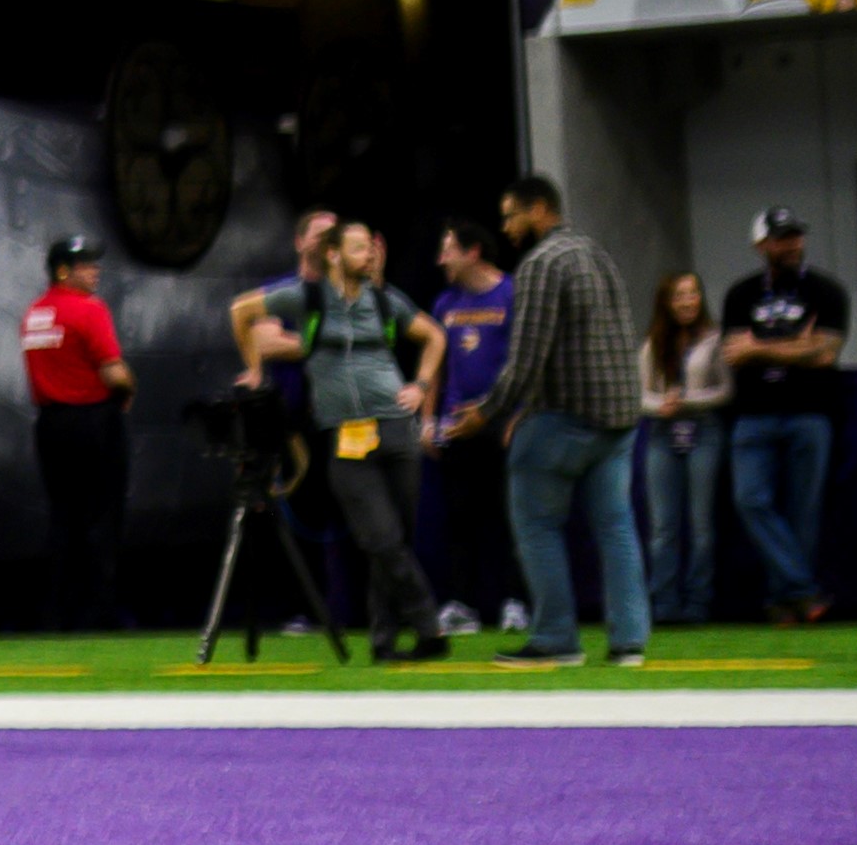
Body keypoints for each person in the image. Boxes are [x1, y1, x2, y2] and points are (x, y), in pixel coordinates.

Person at [473, 172, 651, 667]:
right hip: (619, 418)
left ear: (537, 210)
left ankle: (555, 638)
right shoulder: (597, 253)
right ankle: (629, 641)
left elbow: (528, 357)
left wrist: (488, 412)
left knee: (536, 524)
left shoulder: (542, 263)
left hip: (567, 416)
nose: (505, 228)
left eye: (510, 215)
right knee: (616, 527)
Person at [258, 219, 452, 660]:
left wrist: (420, 387)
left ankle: (383, 642)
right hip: (345, 433)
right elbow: (244, 316)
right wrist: (256, 365)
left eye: (371, 247)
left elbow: (435, 336)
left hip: (396, 428)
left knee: (394, 541)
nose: (370, 254)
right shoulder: (305, 296)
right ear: (333, 253)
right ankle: (429, 624)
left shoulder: (384, 301)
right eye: (360, 247)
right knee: (382, 539)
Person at [721, 210, 851, 623]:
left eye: (796, 236)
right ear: (761, 246)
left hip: (810, 412)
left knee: (804, 511)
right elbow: (732, 353)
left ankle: (783, 601)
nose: (792, 244)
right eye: (781, 238)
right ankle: (804, 590)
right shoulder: (740, 293)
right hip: (753, 414)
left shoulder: (826, 290)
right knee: (750, 499)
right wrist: (797, 344)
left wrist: (760, 346)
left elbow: (826, 353)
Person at [22, 235, 133, 631]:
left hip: (51, 425)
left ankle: (55, 612)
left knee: (62, 517)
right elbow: (113, 371)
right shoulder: (89, 310)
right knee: (101, 517)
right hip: (93, 421)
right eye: (85, 264)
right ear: (62, 271)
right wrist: (127, 391)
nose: (95, 271)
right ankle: (99, 613)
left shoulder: (33, 314)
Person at [423, 227, 525, 631]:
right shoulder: (444, 302)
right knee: (459, 518)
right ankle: (462, 605)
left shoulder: (513, 294)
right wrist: (429, 420)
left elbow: (526, 362)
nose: (440, 260)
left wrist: (518, 417)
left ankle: (515, 602)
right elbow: (436, 366)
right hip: (457, 427)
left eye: (447, 250)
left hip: (502, 425)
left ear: (473, 251)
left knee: (510, 517)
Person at [640, 270, 732, 621]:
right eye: (679, 295)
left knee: (701, 524)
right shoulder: (653, 342)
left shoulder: (714, 338)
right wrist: (659, 405)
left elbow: (726, 390)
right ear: (666, 302)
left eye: (693, 294)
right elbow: (641, 396)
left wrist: (690, 400)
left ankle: (697, 603)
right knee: (663, 526)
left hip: (704, 430)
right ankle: (663, 604)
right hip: (662, 433)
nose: (687, 302)